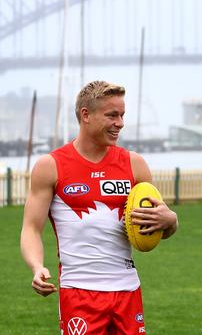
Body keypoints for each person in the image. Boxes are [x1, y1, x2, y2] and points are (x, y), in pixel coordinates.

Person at [20, 80, 178, 335]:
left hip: (128, 290)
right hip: (79, 292)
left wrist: (171, 221)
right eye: (112, 115)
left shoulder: (135, 165)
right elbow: (31, 228)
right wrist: (37, 266)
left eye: (122, 115)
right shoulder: (51, 166)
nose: (120, 123)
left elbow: (157, 227)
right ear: (86, 115)